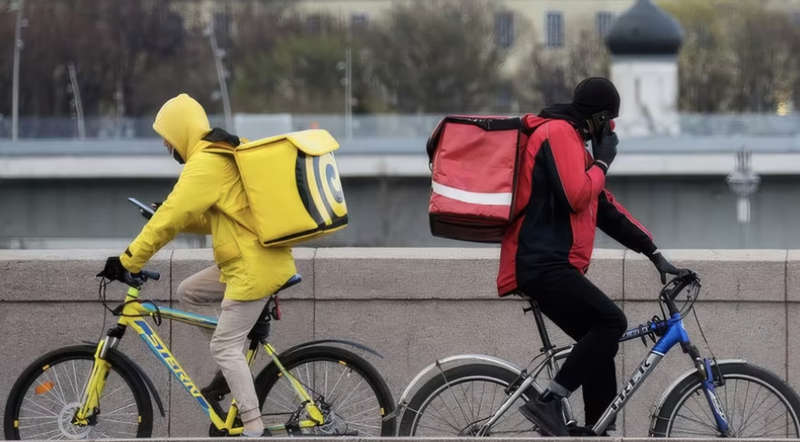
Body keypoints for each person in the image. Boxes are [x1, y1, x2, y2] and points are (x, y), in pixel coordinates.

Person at [99, 93, 297, 438]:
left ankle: (253, 428)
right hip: (248, 261)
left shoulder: (207, 162)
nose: (165, 144)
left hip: (253, 269)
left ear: (181, 131)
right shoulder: (218, 156)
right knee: (188, 292)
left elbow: (173, 219)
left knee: (222, 345)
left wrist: (128, 260)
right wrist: (166, 212)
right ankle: (231, 358)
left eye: (167, 136)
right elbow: (208, 218)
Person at [496, 77, 684, 436]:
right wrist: (603, 162)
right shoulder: (557, 133)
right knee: (611, 322)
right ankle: (547, 402)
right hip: (539, 262)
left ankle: (597, 431)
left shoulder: (571, 143)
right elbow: (576, 196)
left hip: (550, 263)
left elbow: (605, 210)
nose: (610, 130)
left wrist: (653, 252)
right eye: (609, 122)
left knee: (600, 344)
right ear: (598, 118)